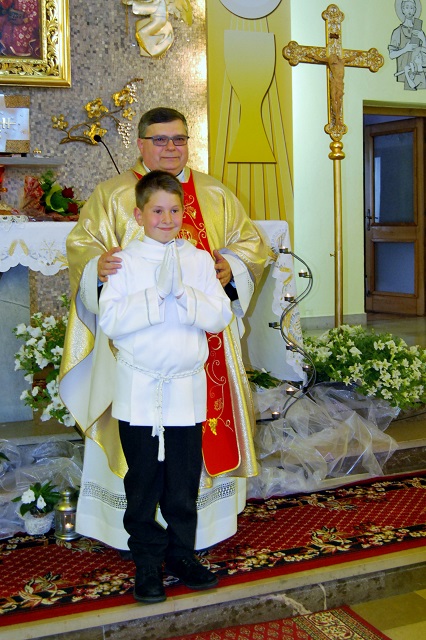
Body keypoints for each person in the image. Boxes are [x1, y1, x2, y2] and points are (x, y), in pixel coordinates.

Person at [59, 106, 268, 559]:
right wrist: (97, 267)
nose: (171, 147)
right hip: (137, 357)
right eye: (160, 139)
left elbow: (250, 244)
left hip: (200, 353)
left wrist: (232, 265)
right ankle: (138, 541)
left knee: (187, 453)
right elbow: (83, 246)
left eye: (179, 139)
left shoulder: (214, 192)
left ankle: (194, 536)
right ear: (141, 144)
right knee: (140, 458)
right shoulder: (114, 194)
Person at [98, 170, 232, 603]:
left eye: (174, 210)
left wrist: (186, 295)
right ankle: (146, 562)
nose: (167, 218)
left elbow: (220, 316)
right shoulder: (123, 262)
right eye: (157, 210)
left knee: (182, 481)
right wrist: (155, 296)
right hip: (140, 388)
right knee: (142, 483)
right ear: (139, 215)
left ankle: (181, 555)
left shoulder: (198, 260)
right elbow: (111, 321)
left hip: (184, 391)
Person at [389, 0, 426, 90]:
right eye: (407, 7)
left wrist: (423, 39)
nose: (409, 10)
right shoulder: (398, 31)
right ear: (402, 10)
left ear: (415, 10)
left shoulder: (419, 31)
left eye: (412, 8)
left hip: (418, 74)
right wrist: (405, 49)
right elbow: (391, 55)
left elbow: (424, 53)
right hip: (403, 73)